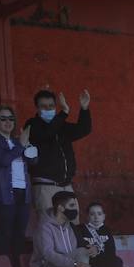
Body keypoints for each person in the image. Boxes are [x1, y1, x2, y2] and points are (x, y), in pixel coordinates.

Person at [0, 104, 37, 267]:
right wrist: (20, 145)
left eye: (11, 118)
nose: (8, 122)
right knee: (5, 235)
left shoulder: (16, 141)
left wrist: (27, 145)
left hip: (23, 192)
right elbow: (4, 160)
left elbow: (34, 160)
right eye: (3, 118)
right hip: (2, 195)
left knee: (19, 236)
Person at [25, 87, 91, 219]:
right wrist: (64, 112)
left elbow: (83, 129)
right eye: (43, 106)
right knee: (50, 227)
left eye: (51, 106)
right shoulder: (33, 125)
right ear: (37, 109)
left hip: (66, 186)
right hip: (46, 186)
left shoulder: (61, 125)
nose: (48, 109)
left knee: (73, 228)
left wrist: (84, 109)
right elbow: (48, 133)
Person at [31, 191, 111, 267]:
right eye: (72, 205)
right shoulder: (44, 227)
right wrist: (74, 264)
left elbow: (82, 247)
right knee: (81, 253)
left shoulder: (70, 226)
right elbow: (49, 254)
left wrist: (94, 249)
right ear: (60, 208)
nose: (75, 209)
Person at [77, 202, 134, 267]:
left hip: (108, 264)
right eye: (92, 214)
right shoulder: (80, 229)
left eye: (99, 214)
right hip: (91, 264)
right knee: (116, 262)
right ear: (87, 216)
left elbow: (111, 252)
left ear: (104, 216)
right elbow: (80, 246)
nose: (96, 217)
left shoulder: (106, 230)